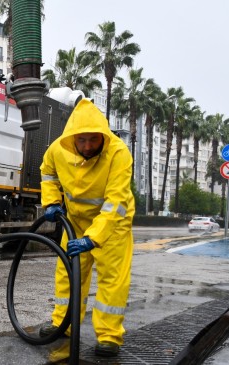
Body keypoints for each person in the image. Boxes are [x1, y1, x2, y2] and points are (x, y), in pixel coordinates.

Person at [39, 98, 135, 357]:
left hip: (112, 226)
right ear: (72, 139)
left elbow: (116, 201)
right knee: (67, 274)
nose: (87, 146)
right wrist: (51, 201)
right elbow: (47, 172)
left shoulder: (118, 153)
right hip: (76, 222)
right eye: (81, 140)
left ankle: (109, 336)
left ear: (103, 136)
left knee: (112, 280)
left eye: (93, 140)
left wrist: (94, 237)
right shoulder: (59, 149)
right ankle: (63, 324)